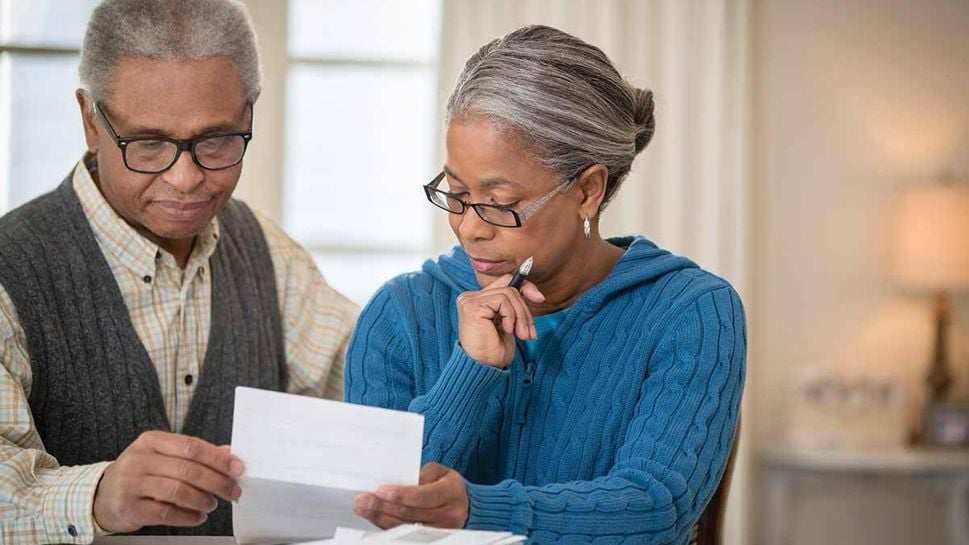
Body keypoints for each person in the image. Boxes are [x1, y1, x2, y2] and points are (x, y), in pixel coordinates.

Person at [346, 25, 745, 544]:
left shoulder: (693, 314)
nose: (470, 226)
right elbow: (370, 506)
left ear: (587, 191)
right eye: (457, 192)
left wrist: (479, 510)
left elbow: (656, 510)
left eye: (499, 202)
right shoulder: (400, 312)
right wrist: (469, 371)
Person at [0, 0, 357, 541]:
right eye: (149, 144)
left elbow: (363, 380)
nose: (187, 179)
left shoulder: (266, 252)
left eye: (215, 140)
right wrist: (96, 496)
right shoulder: (10, 270)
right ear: (90, 122)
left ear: (248, 114)